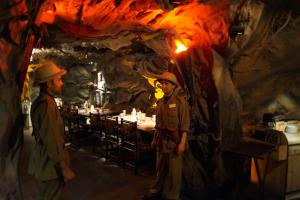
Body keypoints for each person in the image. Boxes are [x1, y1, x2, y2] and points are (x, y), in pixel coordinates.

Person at [28, 61, 75, 200]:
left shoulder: (40, 101)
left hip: (43, 162)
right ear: (49, 83)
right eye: (59, 80)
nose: (62, 83)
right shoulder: (47, 105)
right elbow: (52, 139)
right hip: (49, 166)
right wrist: (64, 169)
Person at [144, 71, 190, 200]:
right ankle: (156, 190)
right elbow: (158, 124)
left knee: (174, 173)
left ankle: (173, 196)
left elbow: (185, 126)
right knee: (159, 169)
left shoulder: (181, 102)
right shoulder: (160, 103)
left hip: (174, 143)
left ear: (173, 86)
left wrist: (182, 143)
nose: (164, 86)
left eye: (167, 84)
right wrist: (154, 139)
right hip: (161, 141)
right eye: (162, 84)